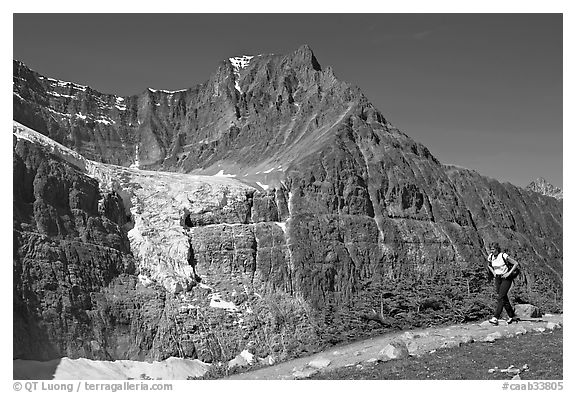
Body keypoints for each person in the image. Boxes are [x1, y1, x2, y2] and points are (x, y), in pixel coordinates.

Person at [486, 242, 520, 325]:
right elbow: (489, 265)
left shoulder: (503, 256)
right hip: (498, 278)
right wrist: (493, 273)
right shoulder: (490, 257)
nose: (491, 251)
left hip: (506, 278)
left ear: (497, 249)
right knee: (503, 297)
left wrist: (509, 273)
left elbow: (515, 263)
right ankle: (512, 316)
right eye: (491, 249)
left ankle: (495, 317)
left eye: (493, 249)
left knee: (500, 297)